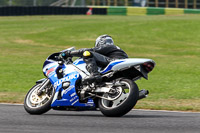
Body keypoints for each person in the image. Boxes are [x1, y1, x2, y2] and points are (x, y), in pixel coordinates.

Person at [61, 34, 128, 84]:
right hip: (120, 65)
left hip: (114, 61)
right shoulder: (114, 49)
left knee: (87, 53)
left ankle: (94, 74)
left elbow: (88, 51)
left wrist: (69, 53)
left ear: (100, 42)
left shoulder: (108, 46)